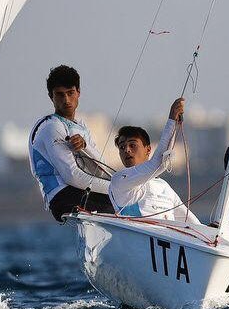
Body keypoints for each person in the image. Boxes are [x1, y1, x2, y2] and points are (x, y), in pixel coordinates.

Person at [28, 65, 115, 222]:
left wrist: (85, 147)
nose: (66, 100)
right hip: (62, 196)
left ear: (78, 92)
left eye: (70, 93)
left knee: (123, 199)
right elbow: (72, 176)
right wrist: (116, 189)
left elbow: (101, 170)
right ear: (51, 96)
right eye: (60, 95)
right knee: (119, 201)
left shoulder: (80, 126)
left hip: (78, 191)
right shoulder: (51, 127)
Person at [108, 97, 201, 225]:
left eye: (132, 145)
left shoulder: (164, 187)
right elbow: (160, 163)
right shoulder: (119, 180)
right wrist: (172, 121)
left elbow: (193, 224)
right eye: (122, 147)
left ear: (148, 149)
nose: (127, 150)